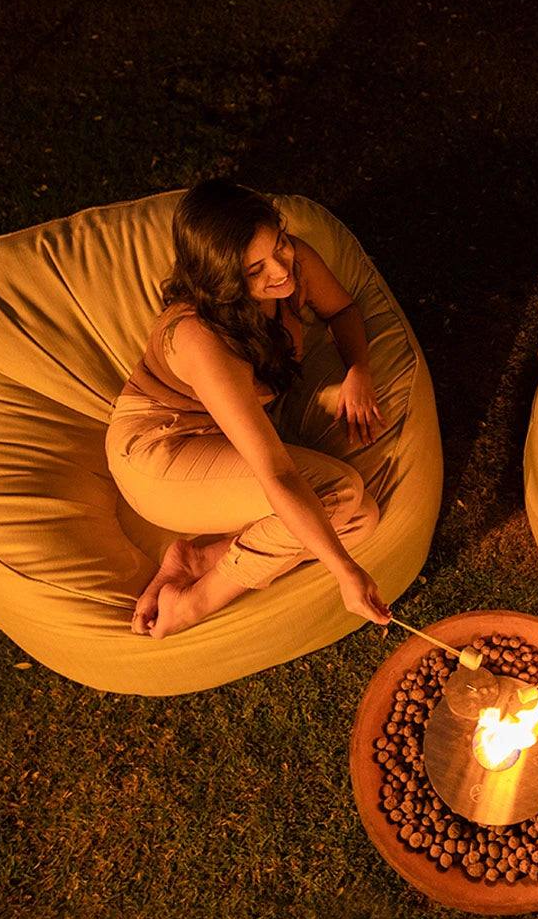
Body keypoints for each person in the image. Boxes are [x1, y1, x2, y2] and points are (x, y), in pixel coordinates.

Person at [106, 179, 391, 639]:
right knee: (337, 495)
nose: (281, 270)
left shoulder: (291, 261)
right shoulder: (200, 338)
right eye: (255, 269)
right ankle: (195, 601)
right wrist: (343, 572)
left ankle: (197, 558)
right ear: (222, 280)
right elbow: (277, 474)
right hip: (161, 452)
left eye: (279, 245)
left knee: (361, 520)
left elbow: (342, 310)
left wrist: (359, 369)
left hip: (220, 437)